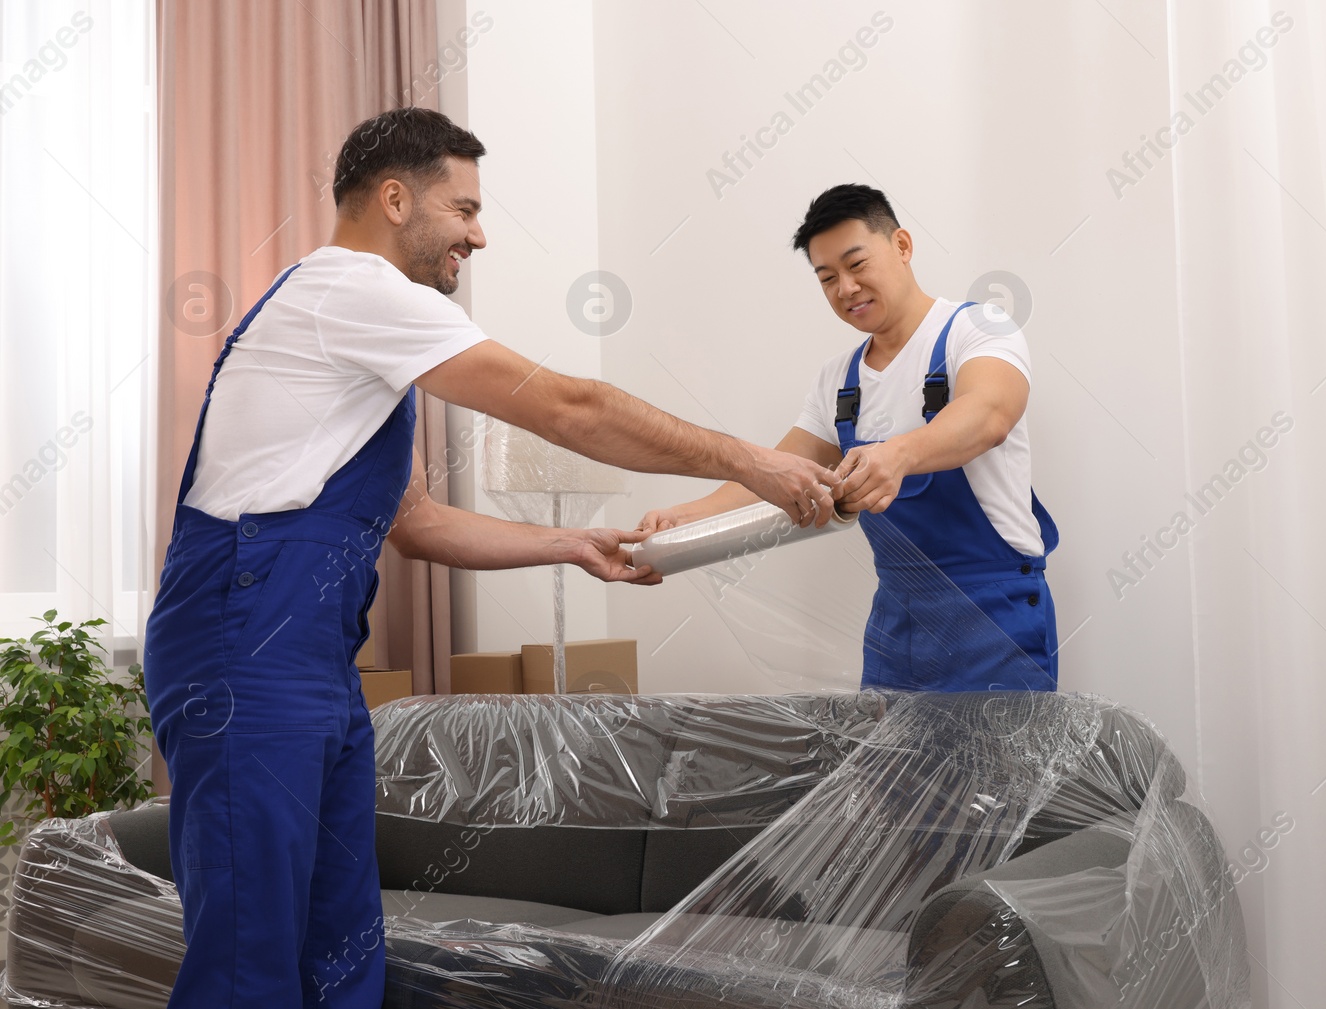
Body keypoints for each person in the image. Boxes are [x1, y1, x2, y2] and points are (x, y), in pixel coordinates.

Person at [142, 107, 840, 1008]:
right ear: (395, 199)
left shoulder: (368, 340)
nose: (480, 233)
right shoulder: (350, 291)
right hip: (243, 649)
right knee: (250, 958)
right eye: (464, 208)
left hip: (309, 660)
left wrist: (570, 544)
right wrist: (751, 459)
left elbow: (418, 521)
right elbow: (570, 405)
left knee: (343, 946)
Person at [639, 183, 1058, 693]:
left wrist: (898, 455)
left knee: (996, 774)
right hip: (896, 624)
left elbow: (990, 413)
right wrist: (687, 517)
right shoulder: (841, 380)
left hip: (992, 617)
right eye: (827, 278)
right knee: (891, 774)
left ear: (902, 246)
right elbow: (773, 469)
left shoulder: (976, 329)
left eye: (857, 265)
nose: (846, 288)